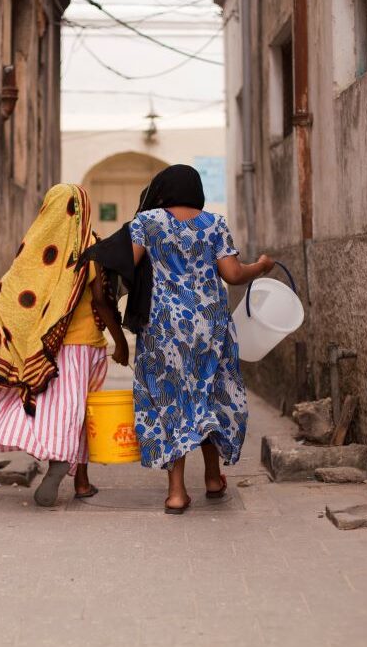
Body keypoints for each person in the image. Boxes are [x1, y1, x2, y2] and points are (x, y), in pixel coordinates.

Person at [83, 165, 273, 513]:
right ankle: (213, 478)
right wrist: (260, 266)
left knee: (171, 400)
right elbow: (233, 274)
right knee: (209, 394)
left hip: (164, 328)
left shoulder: (148, 222)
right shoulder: (214, 224)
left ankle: (176, 492)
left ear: (162, 190)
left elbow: (126, 263)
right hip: (211, 327)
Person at [0, 184, 128, 507]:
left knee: (57, 411)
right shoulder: (91, 247)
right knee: (79, 412)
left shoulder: (37, 248)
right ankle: (77, 478)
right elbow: (101, 300)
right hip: (85, 347)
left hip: (45, 349)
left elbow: (12, 289)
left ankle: (70, 469)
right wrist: (119, 341)